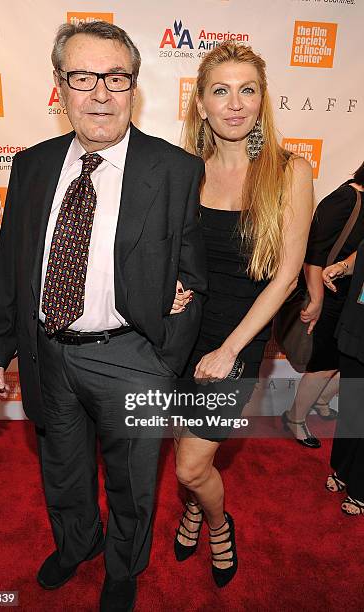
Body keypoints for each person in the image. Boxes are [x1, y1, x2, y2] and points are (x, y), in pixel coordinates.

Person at [0, 21, 207, 612]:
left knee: (133, 480)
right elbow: (11, 266)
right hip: (48, 351)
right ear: (60, 86)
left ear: (134, 87)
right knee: (60, 466)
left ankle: (125, 568)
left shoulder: (175, 170)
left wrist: (162, 363)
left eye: (115, 77)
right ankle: (77, 543)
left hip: (133, 356)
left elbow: (195, 276)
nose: (99, 93)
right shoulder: (31, 166)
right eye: (83, 77)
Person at [173, 42, 313, 587]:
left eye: (247, 90)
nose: (235, 103)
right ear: (201, 105)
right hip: (183, 333)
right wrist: (173, 293)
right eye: (221, 90)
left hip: (240, 336)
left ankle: (215, 520)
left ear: (262, 101)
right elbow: (176, 255)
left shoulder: (288, 171)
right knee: (188, 448)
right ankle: (196, 503)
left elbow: (285, 276)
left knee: (187, 466)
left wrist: (230, 349)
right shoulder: (186, 171)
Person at [282, 162, 364, 447]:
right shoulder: (348, 198)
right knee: (325, 363)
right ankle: (294, 417)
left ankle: (322, 400)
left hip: (351, 298)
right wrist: (316, 298)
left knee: (349, 359)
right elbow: (313, 251)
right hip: (328, 294)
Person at [322, 242, 364, 516]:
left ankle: (361, 486)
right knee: (352, 405)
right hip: (358, 325)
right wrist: (343, 266)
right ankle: (344, 469)